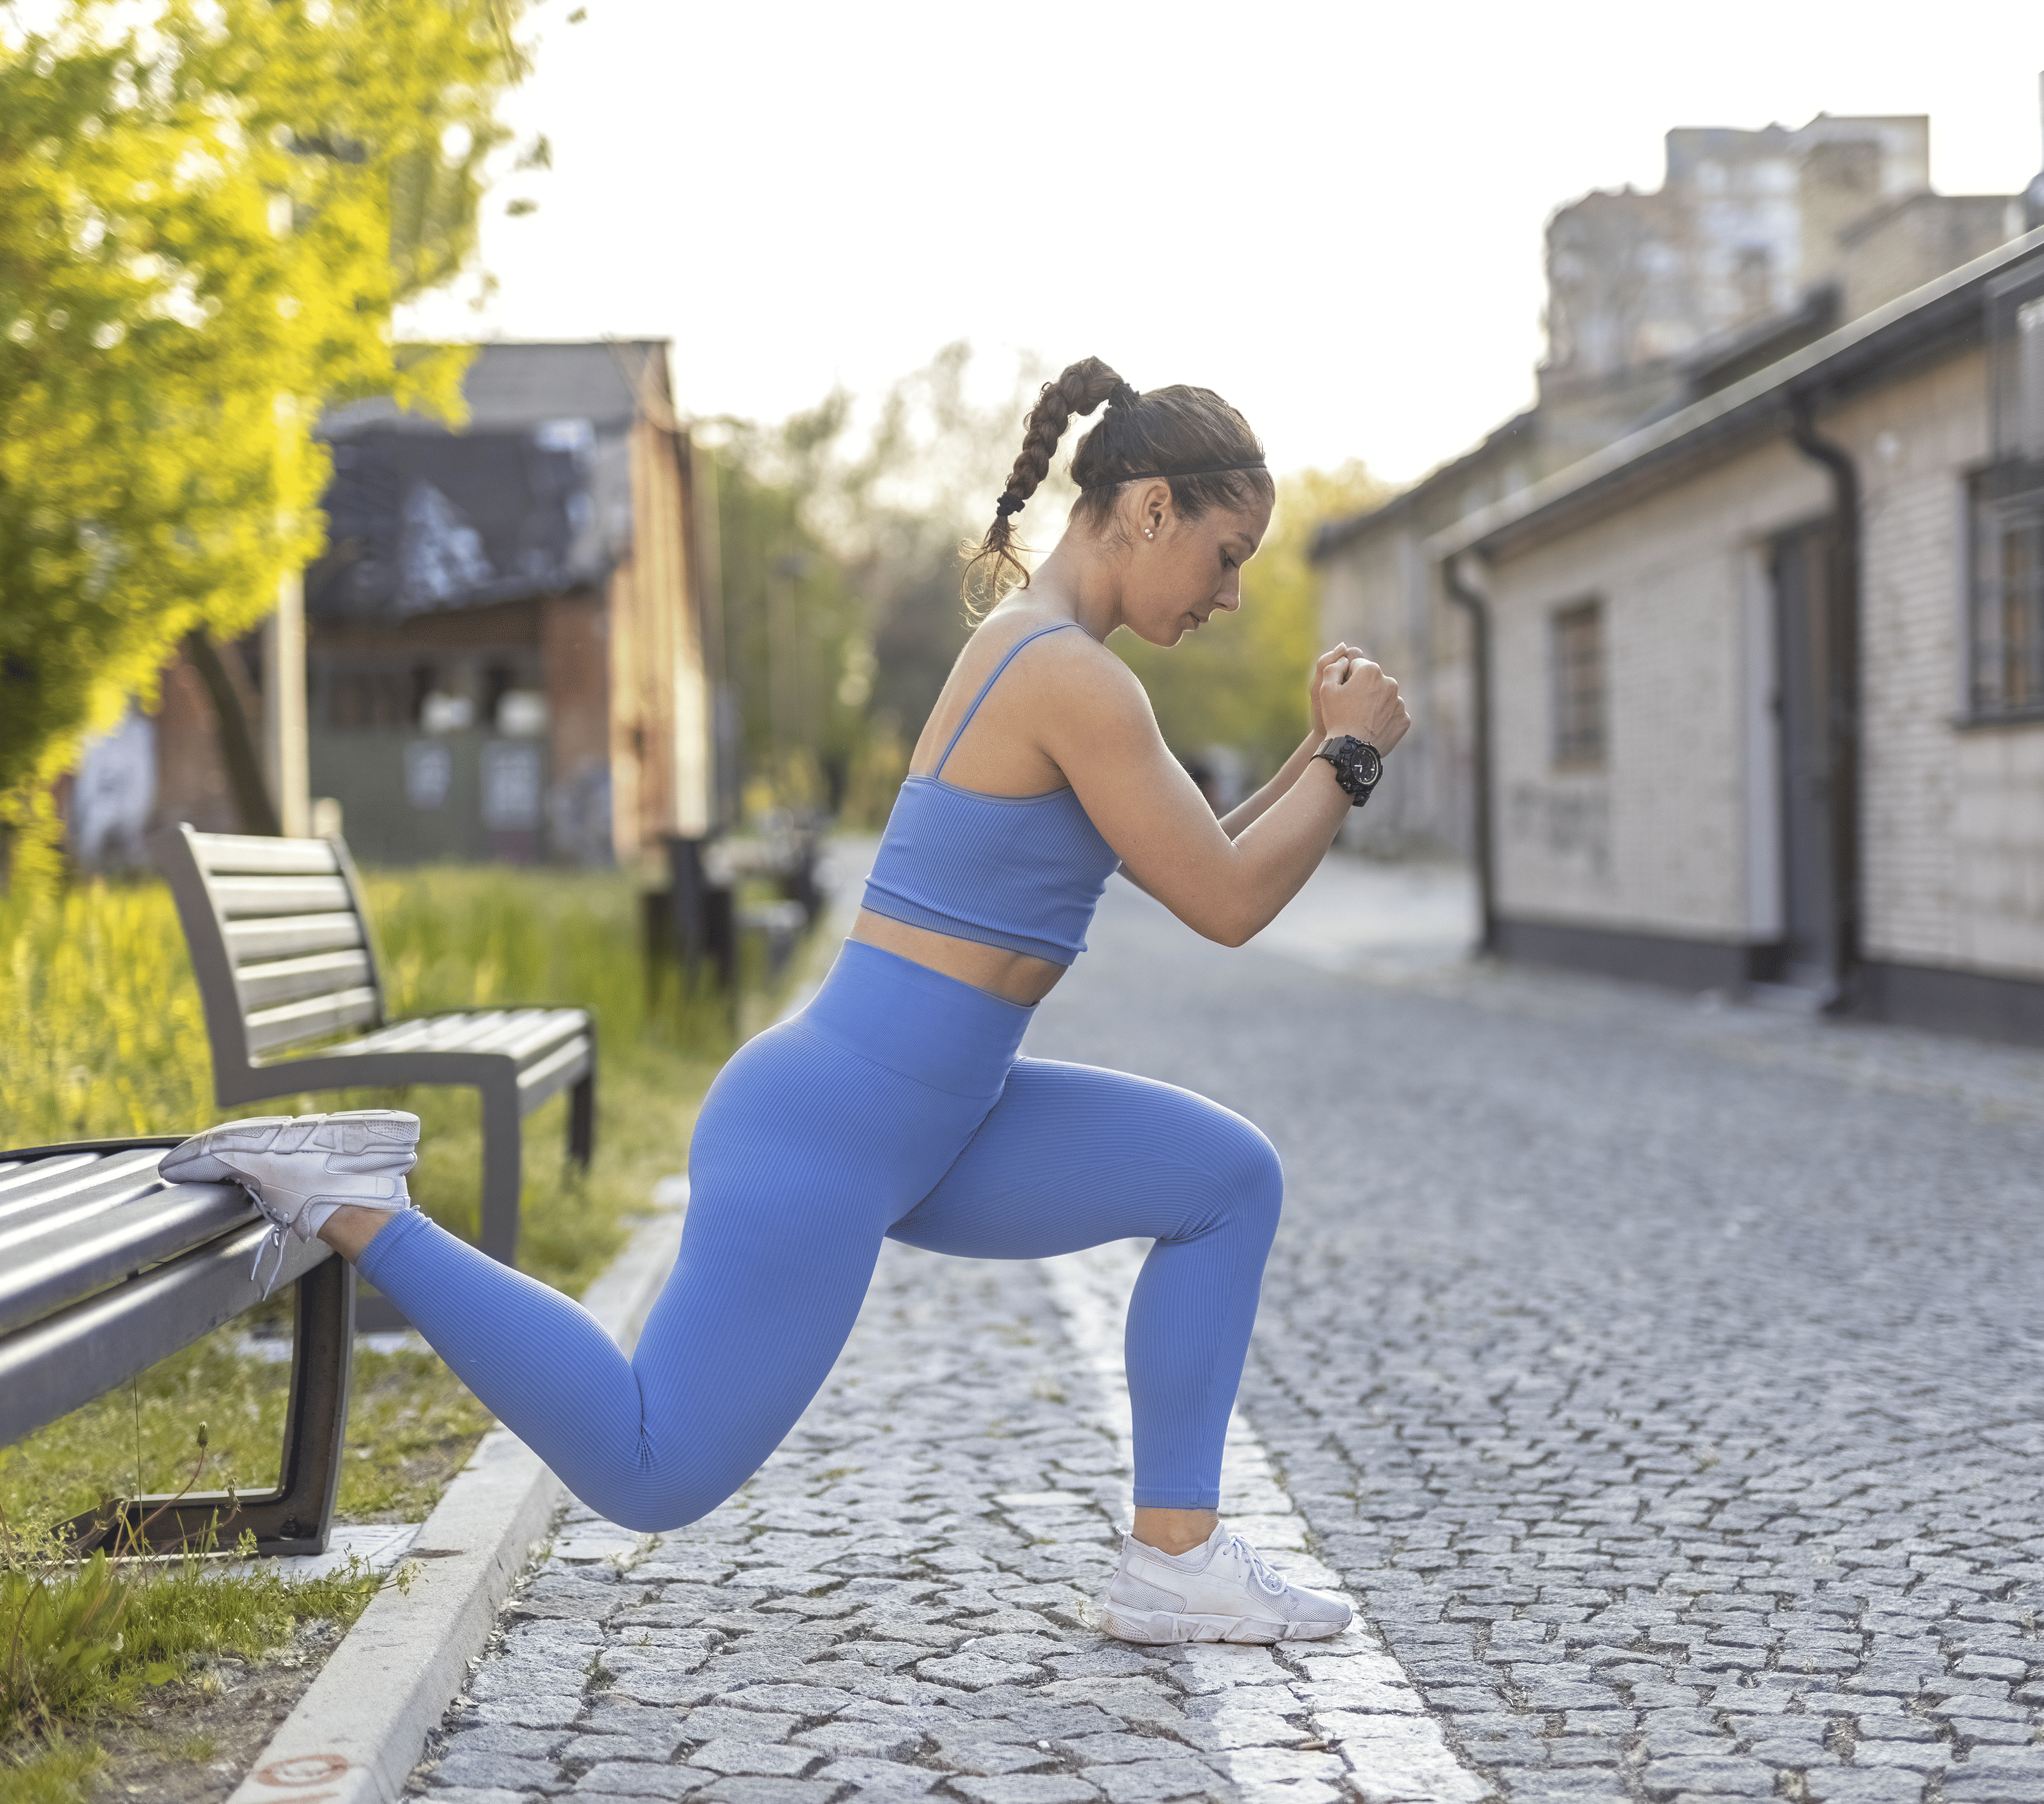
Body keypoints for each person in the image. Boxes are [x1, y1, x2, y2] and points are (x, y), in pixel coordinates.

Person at [162, 357, 1412, 1645]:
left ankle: (1176, 1561)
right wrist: (1353, 759)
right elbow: (1227, 903)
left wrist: (1323, 757)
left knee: (1225, 1180)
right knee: (651, 1468)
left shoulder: (1054, 658)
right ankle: (366, 1209)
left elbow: (1203, 856)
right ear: (1150, 509)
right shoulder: (1067, 675)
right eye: (1226, 554)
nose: (1231, 593)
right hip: (834, 1131)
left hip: (941, 1122)